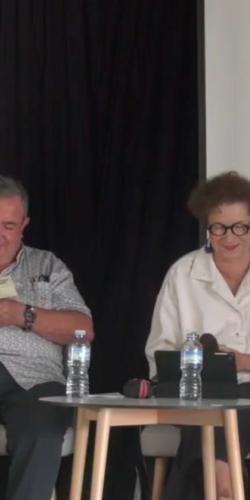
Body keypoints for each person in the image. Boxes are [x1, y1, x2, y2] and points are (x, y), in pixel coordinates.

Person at [145, 171, 250, 500]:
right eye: (219, 228)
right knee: (212, 419)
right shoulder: (183, 273)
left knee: (215, 424)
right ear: (207, 227)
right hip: (199, 394)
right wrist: (195, 364)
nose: (230, 238)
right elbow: (159, 353)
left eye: (241, 227)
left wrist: (245, 362)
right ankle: (225, 491)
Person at [0, 175, 94, 500]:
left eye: (8, 226)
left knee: (42, 427)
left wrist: (22, 315)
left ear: (24, 225)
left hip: (35, 380)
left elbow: (83, 329)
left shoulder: (47, 265)